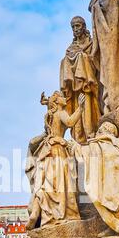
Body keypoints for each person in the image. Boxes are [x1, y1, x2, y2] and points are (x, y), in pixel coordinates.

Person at [26, 92, 85, 230]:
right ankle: (61, 213)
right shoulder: (60, 112)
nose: (65, 97)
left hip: (47, 150)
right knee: (61, 182)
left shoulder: (51, 115)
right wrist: (80, 108)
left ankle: (40, 213)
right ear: (58, 102)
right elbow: (70, 122)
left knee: (47, 183)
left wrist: (47, 103)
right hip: (58, 149)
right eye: (62, 96)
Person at [60, 16, 101, 143]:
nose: (75, 29)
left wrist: (82, 57)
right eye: (73, 27)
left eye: (77, 26)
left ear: (83, 26)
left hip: (88, 84)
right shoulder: (71, 48)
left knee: (88, 108)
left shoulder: (92, 43)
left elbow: (98, 60)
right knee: (64, 60)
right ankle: (78, 137)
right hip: (74, 88)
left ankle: (91, 133)